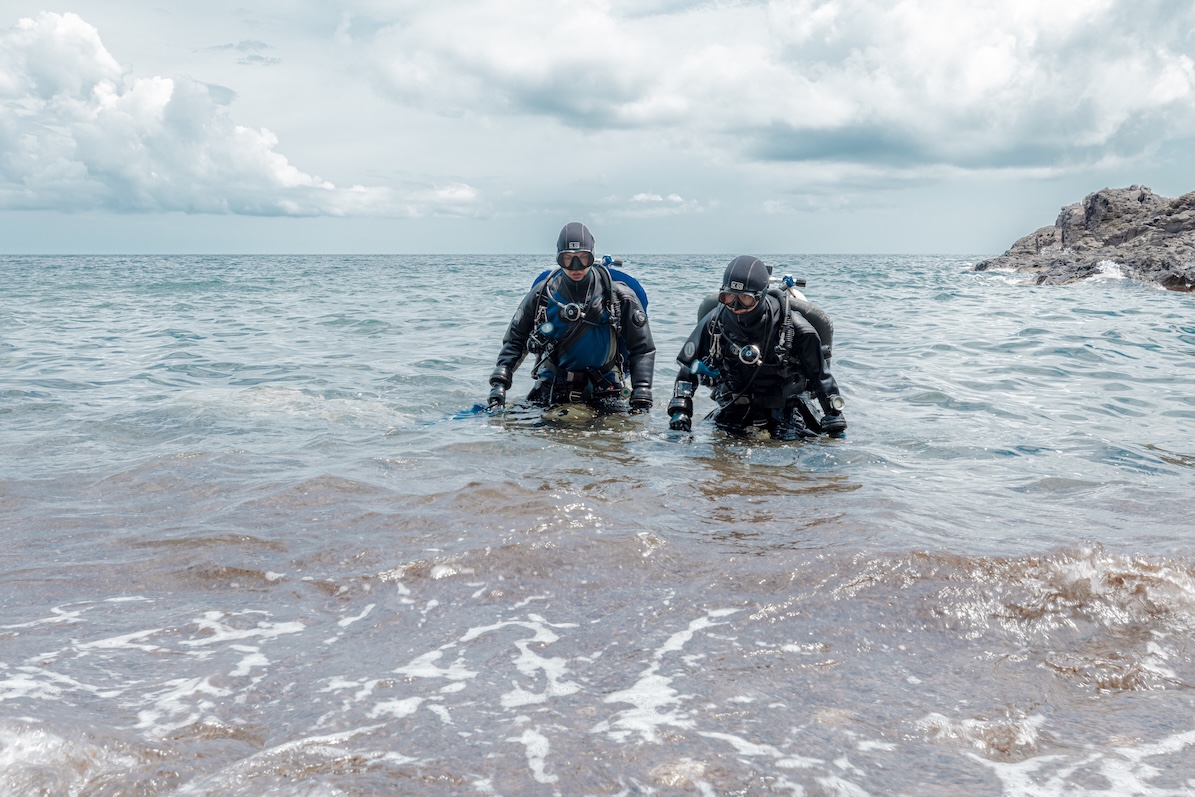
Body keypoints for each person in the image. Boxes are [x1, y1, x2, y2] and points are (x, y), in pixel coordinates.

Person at [666, 255, 847, 440]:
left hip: (785, 410)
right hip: (734, 406)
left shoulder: (794, 327)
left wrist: (834, 416)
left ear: (760, 296)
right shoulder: (715, 321)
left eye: (745, 298)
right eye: (728, 297)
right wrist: (680, 409)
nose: (735, 306)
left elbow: (820, 376)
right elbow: (688, 368)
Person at [487, 222, 655, 414]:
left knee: (613, 441)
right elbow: (515, 341)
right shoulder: (542, 295)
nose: (576, 267)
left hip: (605, 390)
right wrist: (499, 384)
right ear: (558, 258)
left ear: (592, 256)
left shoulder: (619, 297)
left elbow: (642, 348)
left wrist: (642, 391)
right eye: (568, 259)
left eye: (583, 258)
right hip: (551, 388)